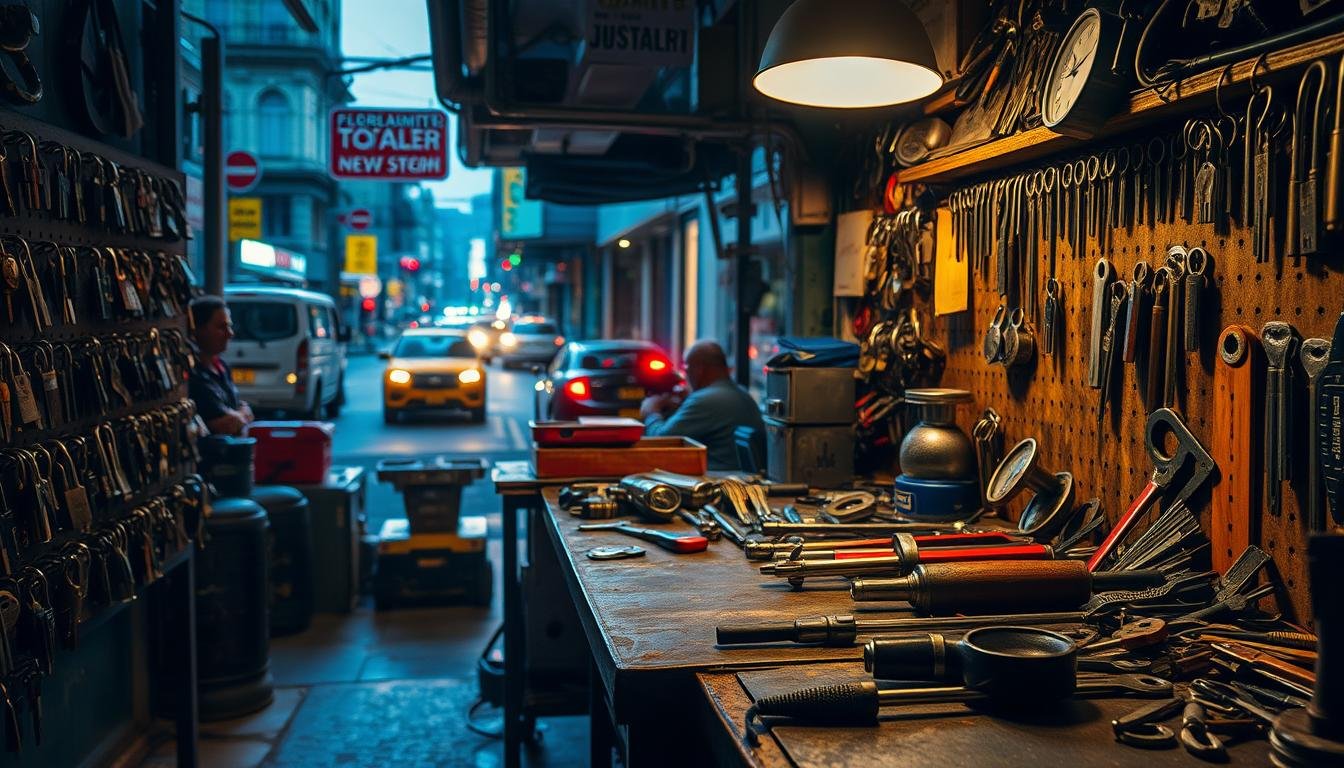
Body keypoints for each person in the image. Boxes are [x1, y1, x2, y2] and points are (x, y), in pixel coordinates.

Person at [640, 340, 766, 470]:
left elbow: (662, 441)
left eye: (686, 369)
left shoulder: (704, 400)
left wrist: (651, 412)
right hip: (739, 478)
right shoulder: (741, 392)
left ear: (699, 370)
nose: (685, 376)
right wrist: (685, 404)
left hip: (719, 480)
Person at [188, 295, 255, 436]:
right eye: (221, 327)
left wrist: (239, 415)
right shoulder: (193, 374)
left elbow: (238, 412)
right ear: (198, 330)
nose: (230, 334)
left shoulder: (222, 367)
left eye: (229, 326)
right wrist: (241, 415)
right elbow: (226, 424)